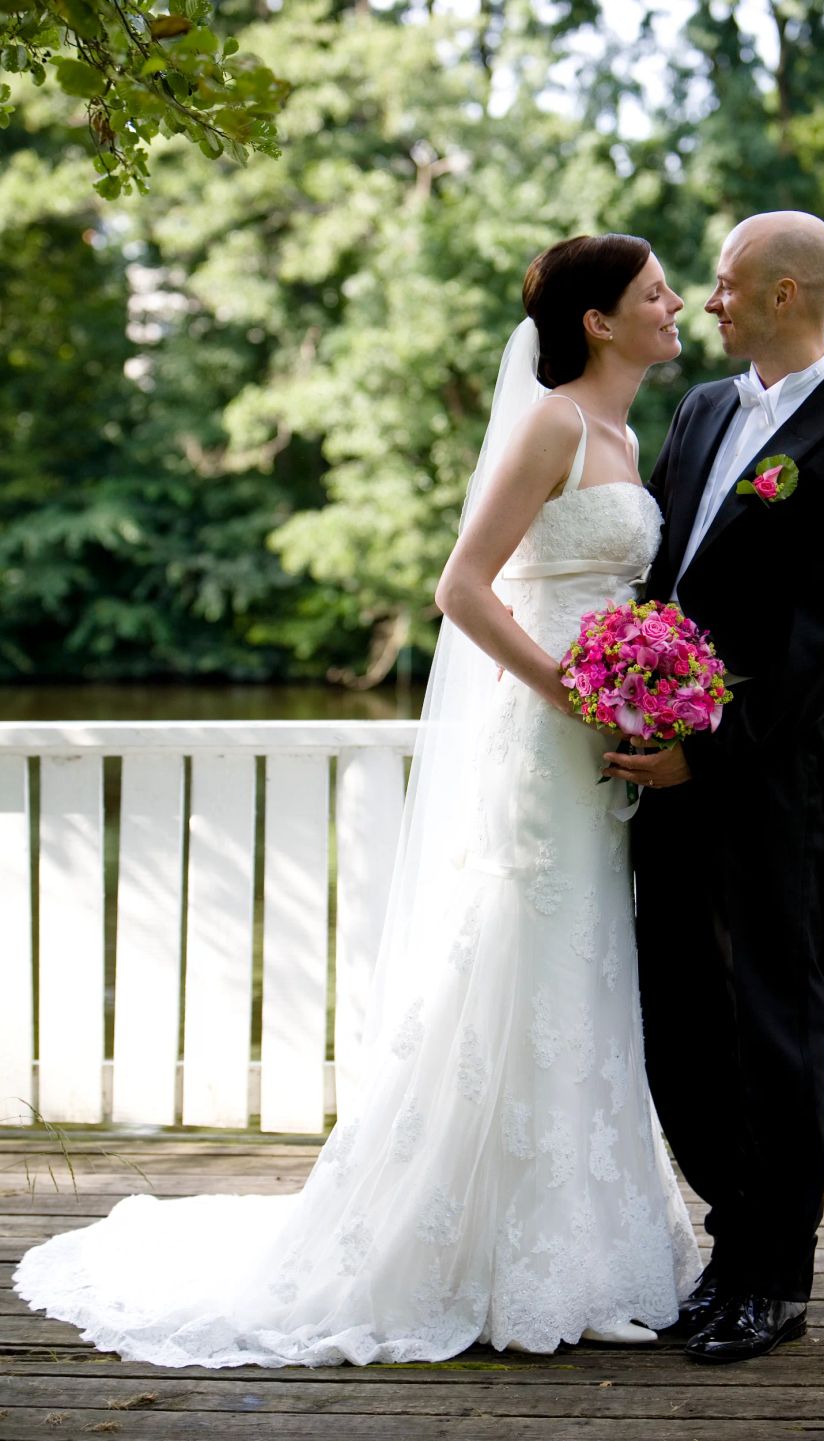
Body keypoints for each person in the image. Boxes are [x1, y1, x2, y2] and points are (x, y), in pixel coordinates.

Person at [14, 233, 701, 1367]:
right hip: (542, 733)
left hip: (602, 744)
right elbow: (461, 587)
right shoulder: (551, 423)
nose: (675, 306)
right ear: (598, 319)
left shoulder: (630, 434)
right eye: (654, 292)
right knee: (518, 958)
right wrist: (573, 688)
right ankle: (467, 1255)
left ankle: (580, 1248)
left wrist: (644, 685)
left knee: (585, 966)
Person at [603, 211, 824, 1364]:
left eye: (727, 284)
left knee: (773, 1034)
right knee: (678, 1021)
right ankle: (729, 1247)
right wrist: (633, 698)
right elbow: (666, 583)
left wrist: (708, 749)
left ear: (786, 296)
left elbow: (820, 650)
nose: (707, 301)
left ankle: (775, 1281)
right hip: (667, 769)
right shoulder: (699, 411)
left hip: (772, 785)